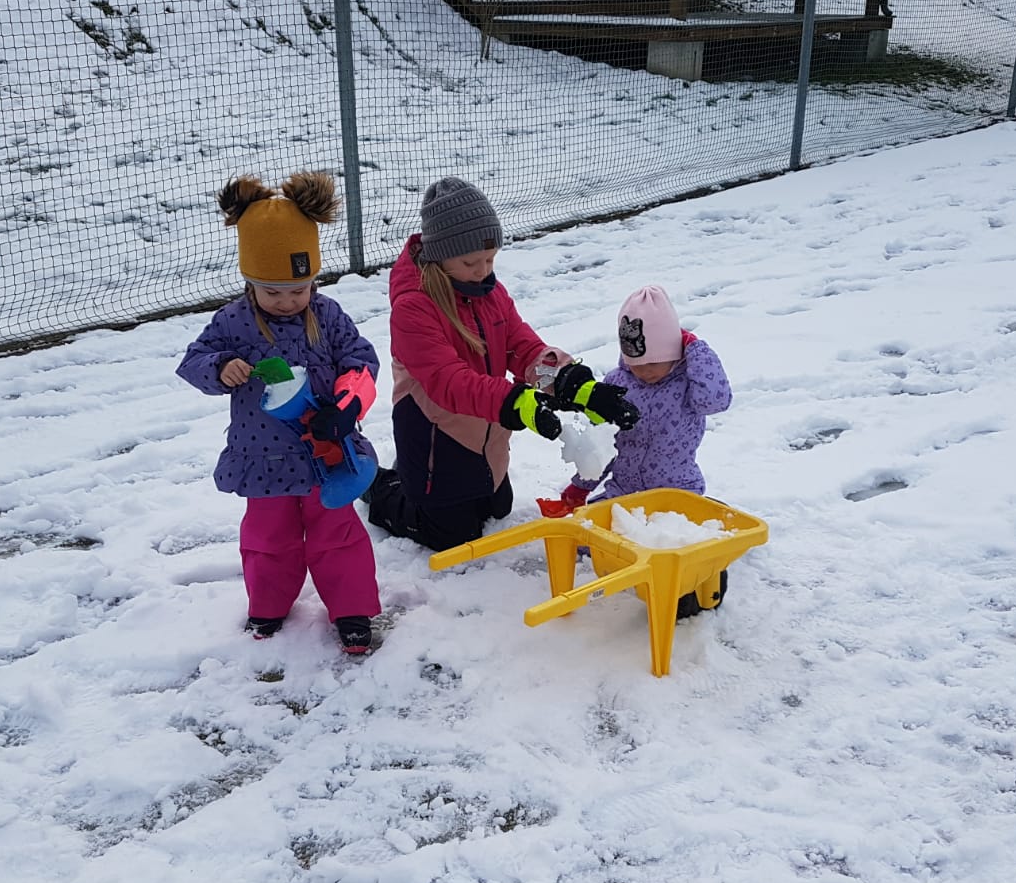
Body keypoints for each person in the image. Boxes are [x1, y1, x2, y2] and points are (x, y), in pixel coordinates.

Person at [365, 177, 639, 552]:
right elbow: (449, 382)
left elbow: (522, 349)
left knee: (498, 507)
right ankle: (378, 485)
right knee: (450, 534)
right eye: (470, 262)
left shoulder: (489, 292)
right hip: (435, 430)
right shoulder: (414, 307)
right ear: (440, 256)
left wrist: (574, 384)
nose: (484, 270)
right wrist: (514, 402)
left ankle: (420, 476)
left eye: (490, 259)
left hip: (485, 429)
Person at [177, 171, 382, 655]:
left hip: (327, 449)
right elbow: (193, 361)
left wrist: (347, 405)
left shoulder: (327, 315)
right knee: (268, 537)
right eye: (273, 292)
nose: (287, 302)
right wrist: (220, 367)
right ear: (250, 283)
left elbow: (360, 361)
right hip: (263, 455)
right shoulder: (233, 321)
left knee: (338, 533)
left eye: (298, 289)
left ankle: (352, 610)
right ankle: (268, 604)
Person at [551, 285, 734, 615]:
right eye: (637, 364)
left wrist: (696, 349)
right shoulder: (617, 384)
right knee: (585, 535)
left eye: (655, 362)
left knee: (679, 545)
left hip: (675, 493)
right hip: (624, 493)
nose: (645, 372)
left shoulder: (689, 385)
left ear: (675, 351)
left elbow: (717, 400)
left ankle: (705, 550)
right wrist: (580, 486)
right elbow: (602, 446)